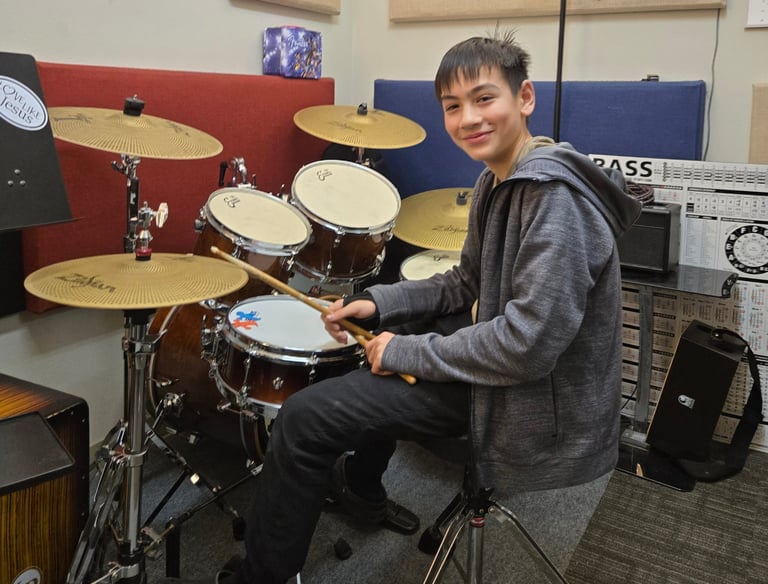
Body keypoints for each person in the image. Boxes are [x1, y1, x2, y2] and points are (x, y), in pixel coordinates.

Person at [186, 31, 641, 583]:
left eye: (484, 98)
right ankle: (362, 490)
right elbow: (462, 282)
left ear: (525, 99)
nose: (468, 118)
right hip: (508, 371)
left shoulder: (555, 202)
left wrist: (405, 352)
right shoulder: (497, 179)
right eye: (453, 107)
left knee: (304, 420)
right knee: (399, 323)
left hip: (527, 399)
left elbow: (527, 347)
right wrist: (374, 306)